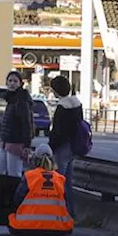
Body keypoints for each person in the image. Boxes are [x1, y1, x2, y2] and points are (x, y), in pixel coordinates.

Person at [8, 145, 74, 236]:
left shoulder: (29, 176)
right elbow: (68, 205)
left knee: (11, 217)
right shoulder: (61, 179)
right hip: (59, 228)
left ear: (34, 160)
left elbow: (17, 200)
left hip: (26, 227)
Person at [46, 76, 84, 218]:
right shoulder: (77, 104)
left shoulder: (62, 107)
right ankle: (70, 212)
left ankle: (59, 213)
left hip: (61, 147)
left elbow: (58, 131)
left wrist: (50, 147)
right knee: (67, 182)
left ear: (56, 90)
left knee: (58, 182)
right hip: (73, 146)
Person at [0, 70, 35, 178]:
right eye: (10, 81)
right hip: (5, 142)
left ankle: (14, 194)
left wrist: (26, 145)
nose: (12, 83)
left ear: (20, 84)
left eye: (15, 81)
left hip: (15, 143)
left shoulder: (21, 100)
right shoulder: (11, 98)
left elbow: (26, 124)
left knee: (14, 174)